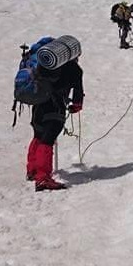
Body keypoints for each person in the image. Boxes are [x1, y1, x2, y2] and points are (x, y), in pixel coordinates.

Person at [26, 58, 84, 191]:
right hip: (55, 106)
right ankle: (43, 177)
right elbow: (78, 93)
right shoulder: (74, 69)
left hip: (38, 104)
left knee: (38, 135)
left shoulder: (45, 64)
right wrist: (76, 106)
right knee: (48, 139)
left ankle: (32, 170)